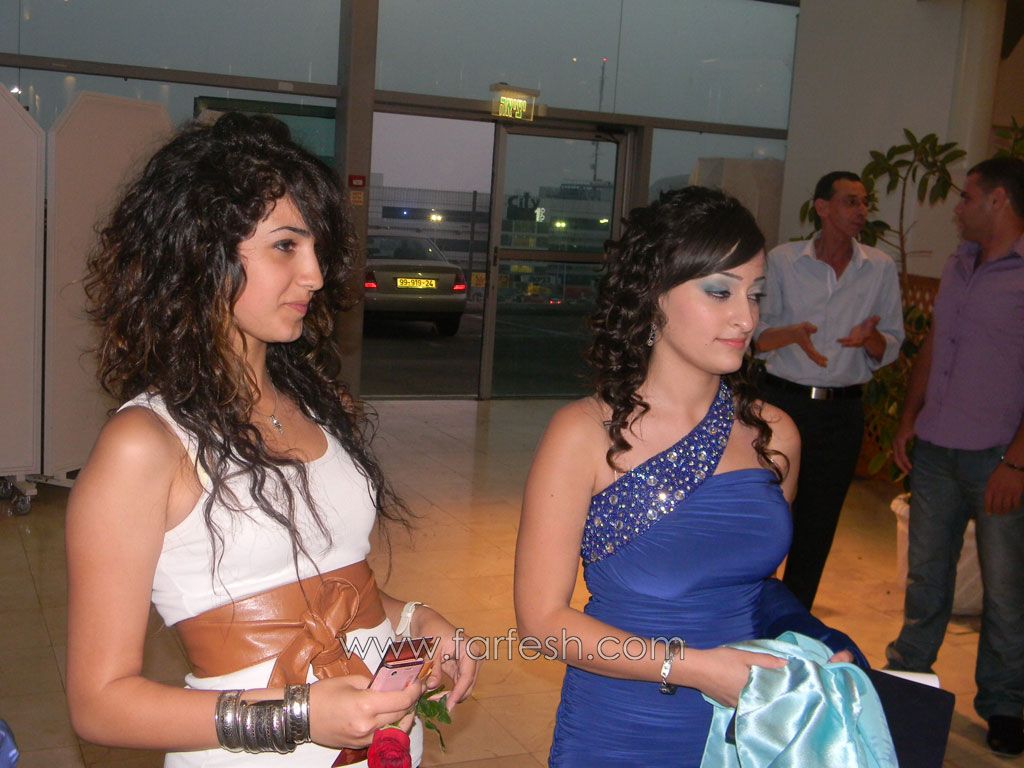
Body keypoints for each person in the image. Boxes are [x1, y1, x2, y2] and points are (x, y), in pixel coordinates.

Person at [65, 113, 477, 767]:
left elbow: (323, 581)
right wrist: (300, 713)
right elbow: (99, 704)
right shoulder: (145, 444)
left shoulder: (320, 405)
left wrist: (413, 619)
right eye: (286, 246)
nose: (314, 274)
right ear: (201, 253)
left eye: (315, 248)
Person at [514, 187, 866, 766]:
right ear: (654, 296)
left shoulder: (774, 435)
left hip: (747, 724)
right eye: (719, 291)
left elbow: (760, 590)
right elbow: (542, 623)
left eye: (756, 294)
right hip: (622, 726)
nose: (746, 318)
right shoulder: (582, 434)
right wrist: (698, 669)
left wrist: (813, 643)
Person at [885, 156, 1024, 756]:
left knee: (1006, 591)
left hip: (999, 457)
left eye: (967, 197)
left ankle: (1005, 703)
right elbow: (935, 346)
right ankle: (908, 678)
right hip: (938, 448)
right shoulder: (959, 263)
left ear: (999, 200)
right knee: (926, 578)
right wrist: (909, 418)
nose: (958, 208)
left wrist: (1016, 463)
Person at [754, 171, 904, 610]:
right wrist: (792, 334)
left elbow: (892, 343)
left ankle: (794, 616)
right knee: (764, 512)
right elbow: (755, 336)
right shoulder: (783, 260)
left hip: (841, 412)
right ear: (822, 208)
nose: (861, 211)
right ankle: (748, 605)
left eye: (864, 202)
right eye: (850, 201)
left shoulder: (879, 267)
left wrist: (870, 339)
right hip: (782, 403)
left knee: (818, 522)